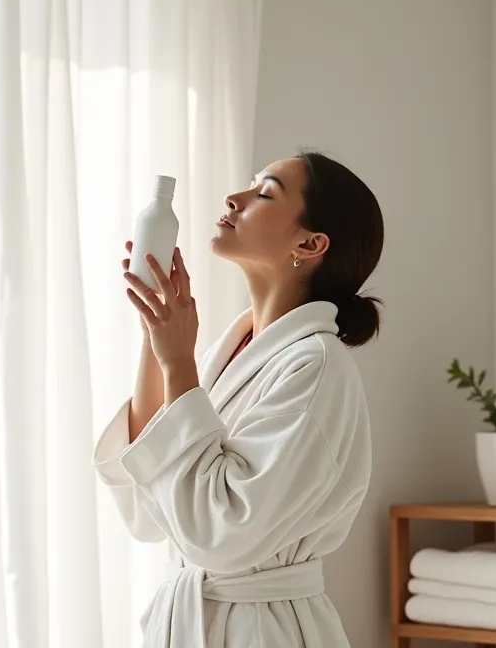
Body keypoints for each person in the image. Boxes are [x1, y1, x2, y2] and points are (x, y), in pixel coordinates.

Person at [93, 150, 383, 648]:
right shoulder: (225, 358)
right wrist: (157, 335)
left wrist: (178, 361)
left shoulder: (318, 367)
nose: (235, 197)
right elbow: (149, 509)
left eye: (265, 192)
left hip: (260, 629)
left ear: (311, 244)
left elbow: (220, 533)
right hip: (192, 617)